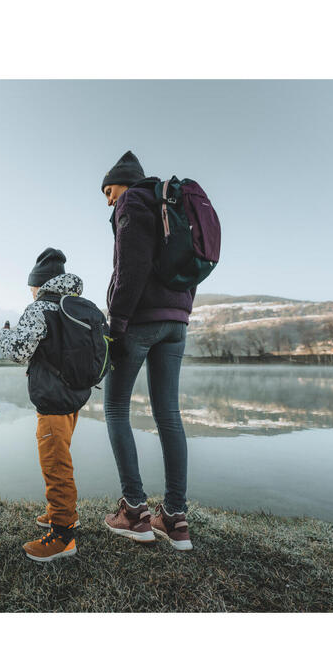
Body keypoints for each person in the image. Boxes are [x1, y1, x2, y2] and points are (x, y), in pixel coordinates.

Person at [101, 151, 194, 550]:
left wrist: (116, 326)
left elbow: (131, 267)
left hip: (140, 321)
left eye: (109, 190)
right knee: (169, 415)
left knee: (115, 408)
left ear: (124, 182)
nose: (108, 200)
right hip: (177, 321)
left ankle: (135, 512)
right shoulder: (167, 203)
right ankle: (175, 519)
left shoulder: (133, 202)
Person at [0, 248, 87, 562]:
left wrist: (4, 335)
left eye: (31, 285)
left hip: (52, 399)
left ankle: (62, 536)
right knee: (60, 455)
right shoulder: (74, 306)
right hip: (75, 395)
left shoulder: (40, 308)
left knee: (55, 464)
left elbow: (20, 352)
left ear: (40, 283)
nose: (31, 291)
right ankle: (61, 513)